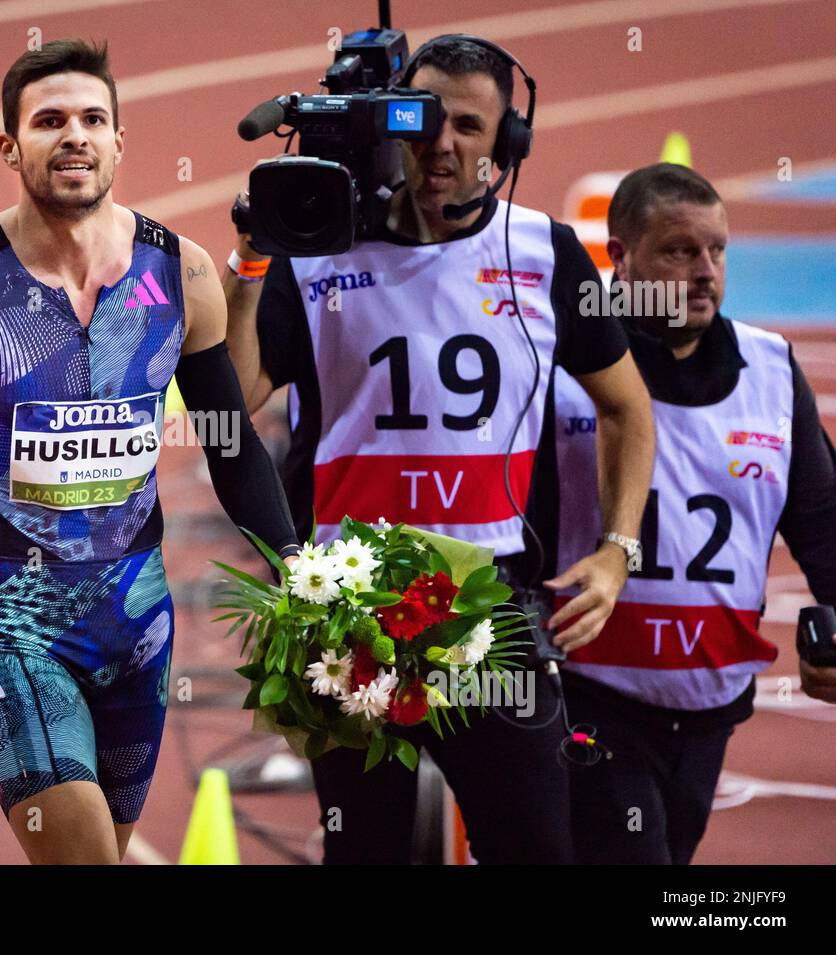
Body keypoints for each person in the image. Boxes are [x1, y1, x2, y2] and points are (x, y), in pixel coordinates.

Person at [0, 38, 300, 864]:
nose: (75, 137)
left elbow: (231, 446)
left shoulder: (185, 274)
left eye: (94, 119)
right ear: (9, 146)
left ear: (120, 142)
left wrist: (301, 571)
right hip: (8, 623)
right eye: (49, 121)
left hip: (138, 623)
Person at [224, 35, 655, 864]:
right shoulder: (319, 251)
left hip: (491, 607)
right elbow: (235, 406)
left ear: (506, 145)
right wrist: (251, 265)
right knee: (367, 853)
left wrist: (617, 551)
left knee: (535, 848)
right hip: (345, 611)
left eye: (469, 125)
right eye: (423, 119)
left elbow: (628, 410)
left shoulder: (543, 251)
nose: (443, 145)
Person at [553, 162, 836, 864]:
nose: (704, 271)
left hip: (710, 709)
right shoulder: (560, 365)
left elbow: (822, 515)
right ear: (618, 256)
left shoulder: (770, 369)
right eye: (679, 251)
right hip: (592, 696)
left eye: (716, 250)